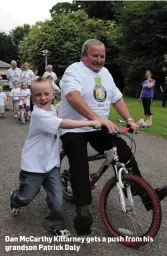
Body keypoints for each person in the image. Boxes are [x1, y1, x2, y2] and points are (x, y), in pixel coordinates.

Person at [58, 39, 167, 235]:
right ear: (84, 55)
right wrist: (96, 118)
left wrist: (130, 119)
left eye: (102, 56)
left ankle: (147, 196)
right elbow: (72, 96)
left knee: (123, 151)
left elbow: (116, 99)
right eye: (95, 56)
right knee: (79, 162)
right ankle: (82, 211)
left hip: (99, 126)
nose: (99, 60)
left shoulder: (106, 74)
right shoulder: (74, 71)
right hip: (75, 127)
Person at [10, 77, 102, 237]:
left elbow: (61, 106)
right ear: (33, 98)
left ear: (53, 95)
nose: (43, 98)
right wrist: (90, 122)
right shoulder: (39, 114)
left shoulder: (52, 109)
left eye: (46, 93)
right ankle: (15, 197)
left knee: (57, 199)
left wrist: (75, 94)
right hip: (33, 166)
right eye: (38, 95)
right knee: (26, 197)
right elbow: (63, 123)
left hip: (51, 165)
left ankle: (56, 224)